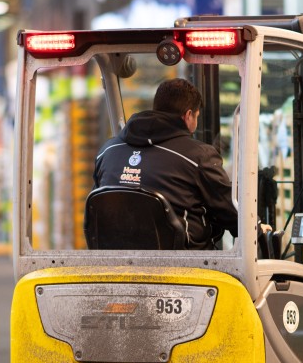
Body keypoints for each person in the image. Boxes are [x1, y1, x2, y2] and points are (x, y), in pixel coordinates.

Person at [93, 78, 238, 249]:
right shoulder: (198, 156)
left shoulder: (107, 151)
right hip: (187, 267)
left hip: (116, 263)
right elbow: (230, 212)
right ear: (189, 115)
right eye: (197, 116)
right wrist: (257, 229)